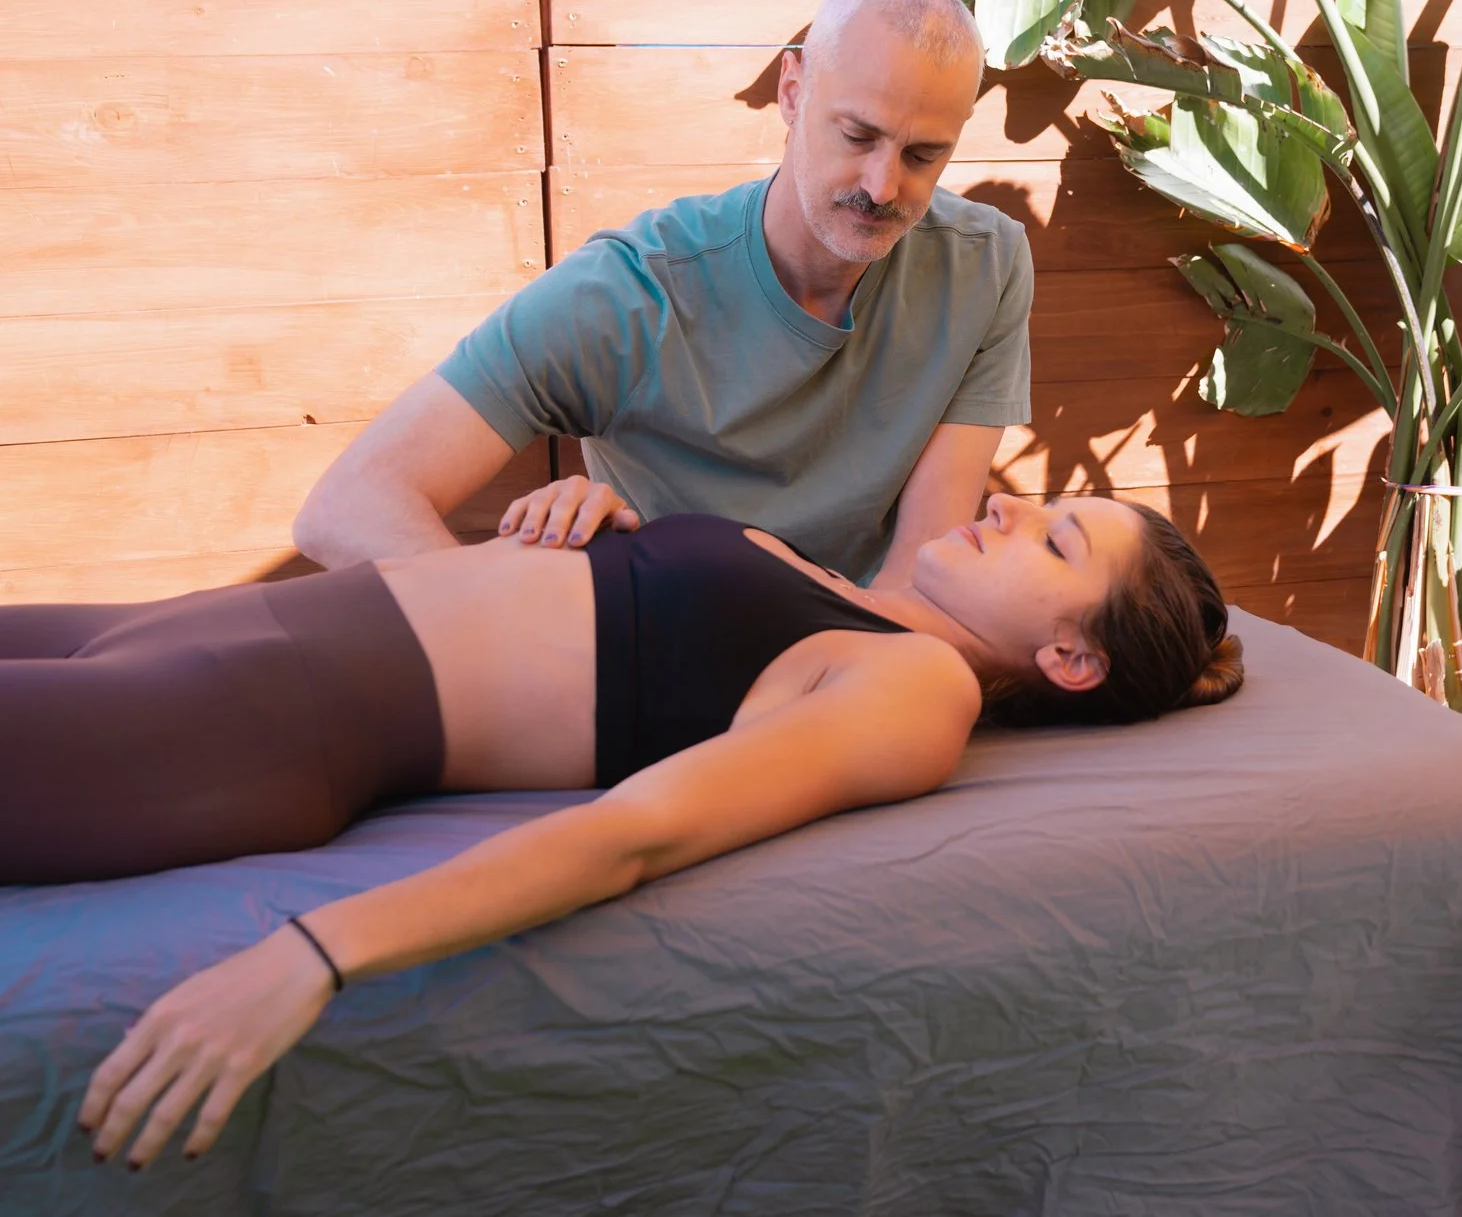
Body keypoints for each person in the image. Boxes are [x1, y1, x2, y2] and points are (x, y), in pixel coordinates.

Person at [6, 484, 1243, 1169]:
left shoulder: (920, 689)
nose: (1013, 504)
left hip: (244, 721)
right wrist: (579, 515)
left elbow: (637, 834)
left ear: (1070, 656)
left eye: (1055, 537)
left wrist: (312, 953)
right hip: (191, 629)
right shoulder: (841, 591)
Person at [292, 0, 1032, 586]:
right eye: (858, 136)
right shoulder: (631, 292)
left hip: (858, 659)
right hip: (665, 660)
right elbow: (349, 506)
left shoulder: (984, 266)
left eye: (923, 156)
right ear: (793, 90)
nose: (880, 185)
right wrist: (511, 631)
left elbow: (917, 577)